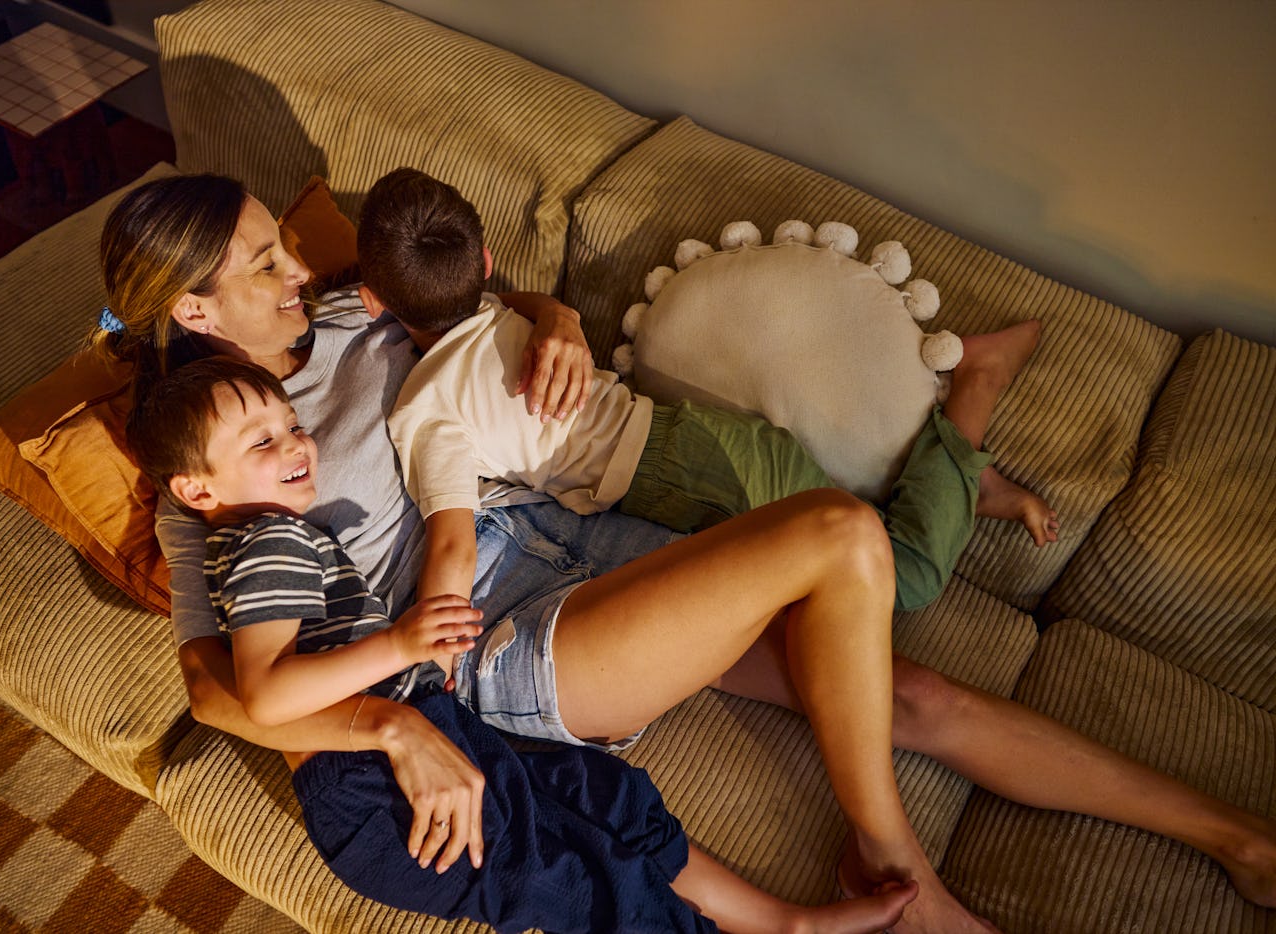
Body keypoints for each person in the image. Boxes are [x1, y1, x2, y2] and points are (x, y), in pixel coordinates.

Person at [95, 172, 1276, 934]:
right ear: (193, 314)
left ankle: (1240, 840)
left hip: (554, 530)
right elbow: (224, 695)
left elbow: (479, 301)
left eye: (279, 246)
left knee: (902, 686)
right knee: (837, 532)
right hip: (485, 640)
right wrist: (394, 725)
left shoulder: (351, 309)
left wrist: (557, 321)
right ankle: (898, 868)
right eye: (261, 265)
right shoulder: (202, 471)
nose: (296, 267)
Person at [124, 354, 918, 933]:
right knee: (586, 882)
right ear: (197, 491)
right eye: (263, 444)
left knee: (605, 798)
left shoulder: (275, 534)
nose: (297, 445)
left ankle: (783, 924)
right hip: (371, 789)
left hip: (431, 725)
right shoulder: (267, 545)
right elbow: (263, 694)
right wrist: (402, 645)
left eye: (291, 425)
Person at [360, 167, 1058, 622]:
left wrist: (433, 652)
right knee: (842, 550)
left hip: (693, 475)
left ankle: (975, 394)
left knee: (902, 583)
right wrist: (551, 315)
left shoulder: (423, 408)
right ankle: (963, 484)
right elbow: (498, 305)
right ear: (482, 262)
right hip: (691, 448)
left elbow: (452, 546)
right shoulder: (495, 310)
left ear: (371, 302)